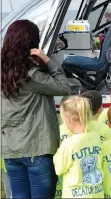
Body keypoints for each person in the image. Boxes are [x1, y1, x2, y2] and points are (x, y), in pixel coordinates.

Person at [1, 20, 71, 198]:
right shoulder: (31, 74)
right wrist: (48, 60)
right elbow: (64, 88)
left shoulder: (3, 72)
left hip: (10, 148)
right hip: (36, 148)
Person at [53, 96, 104, 198]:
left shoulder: (68, 144)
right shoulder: (96, 137)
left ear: (69, 119)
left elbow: (59, 169)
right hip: (96, 193)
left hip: (75, 195)